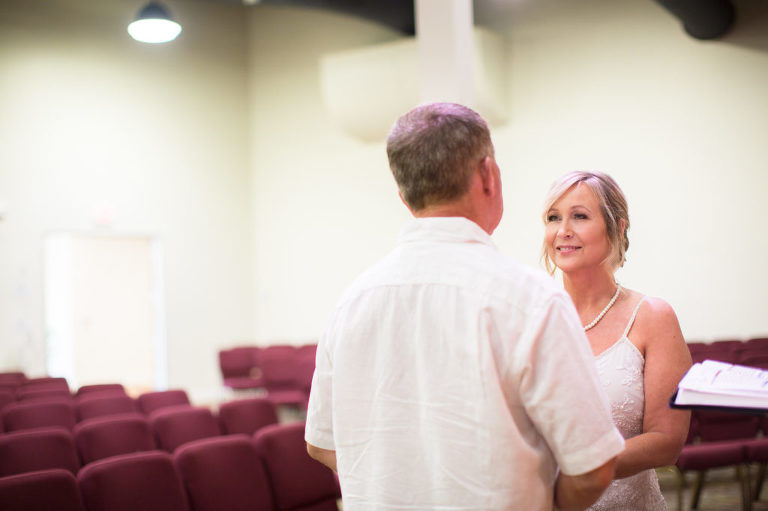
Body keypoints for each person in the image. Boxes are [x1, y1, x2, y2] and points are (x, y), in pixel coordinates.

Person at [305, 102, 625, 511]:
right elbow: (594, 466)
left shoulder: (352, 302)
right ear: (489, 176)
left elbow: (320, 444)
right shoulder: (530, 299)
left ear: (404, 197)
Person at [541, 171, 692, 510]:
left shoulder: (653, 316)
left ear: (617, 227)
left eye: (579, 216)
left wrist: (578, 471)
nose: (563, 230)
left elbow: (667, 441)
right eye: (553, 217)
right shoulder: (530, 318)